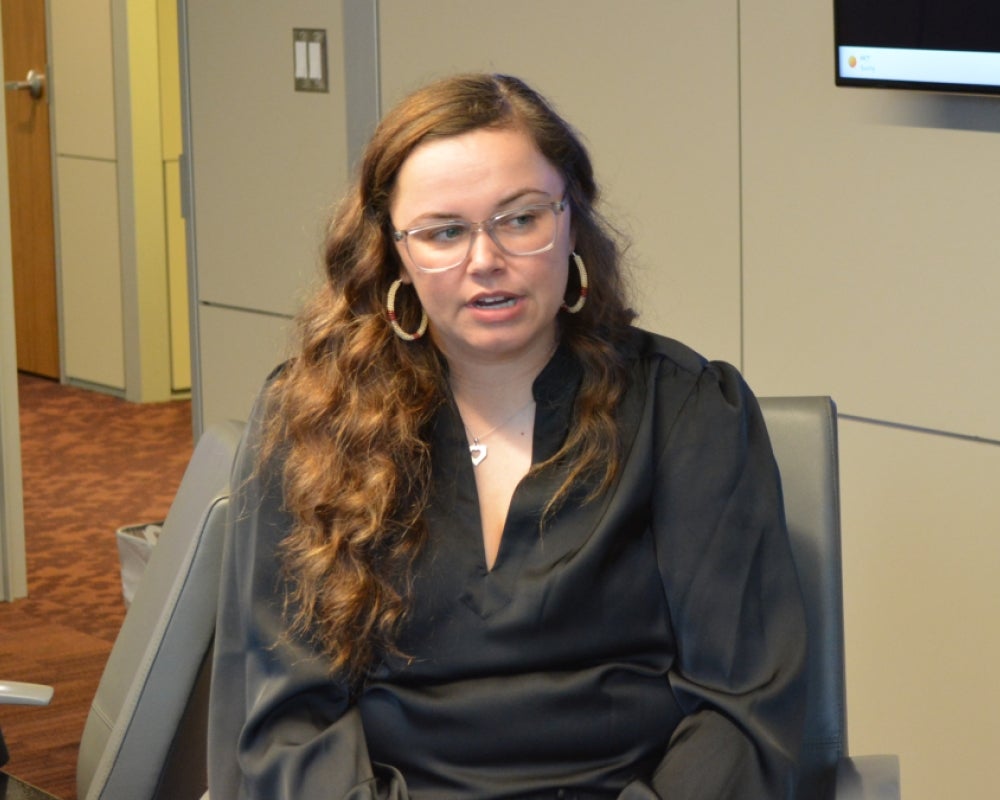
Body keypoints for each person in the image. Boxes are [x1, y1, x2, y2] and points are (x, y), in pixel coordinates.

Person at [208, 73, 807, 800]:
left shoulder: (686, 410)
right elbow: (284, 718)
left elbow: (741, 713)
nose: (485, 259)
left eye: (520, 219)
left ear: (571, 221)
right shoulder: (311, 420)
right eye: (443, 232)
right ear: (393, 251)